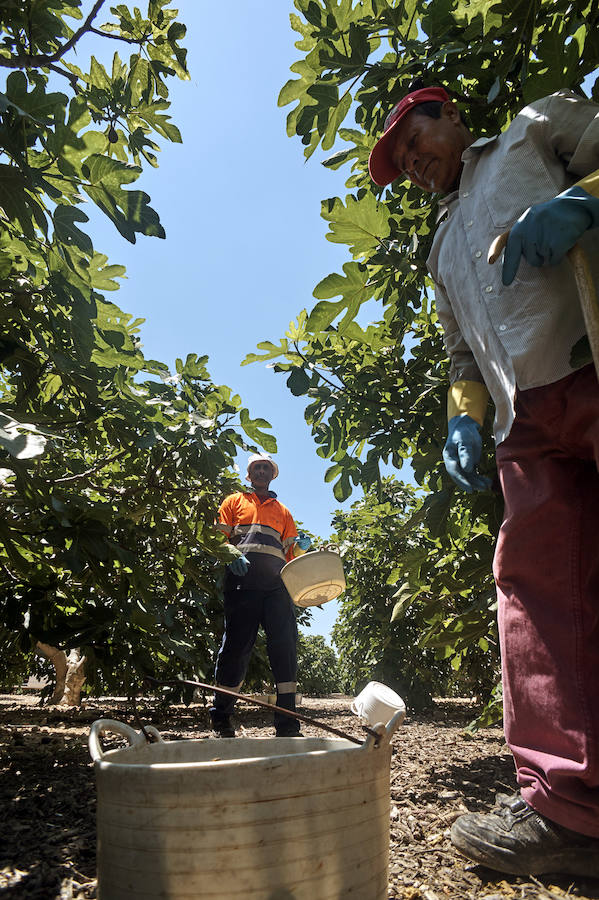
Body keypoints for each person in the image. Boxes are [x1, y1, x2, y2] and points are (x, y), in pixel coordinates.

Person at [368, 81, 599, 876]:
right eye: (400, 161)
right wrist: (462, 415)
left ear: (450, 115)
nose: (412, 163)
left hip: (589, 363)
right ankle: (568, 811)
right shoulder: (438, 248)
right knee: (536, 595)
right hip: (521, 424)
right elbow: (460, 352)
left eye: (414, 141)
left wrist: (589, 199)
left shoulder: (534, 130)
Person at [212, 452, 311, 738]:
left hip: (276, 588)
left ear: (272, 474)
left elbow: (291, 553)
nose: (261, 472)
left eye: (266, 467)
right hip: (241, 585)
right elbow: (218, 538)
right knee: (235, 647)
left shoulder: (283, 512)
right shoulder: (233, 502)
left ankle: (287, 722)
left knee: (285, 647)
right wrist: (231, 553)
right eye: (257, 467)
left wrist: (302, 545)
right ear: (249, 474)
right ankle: (221, 718)